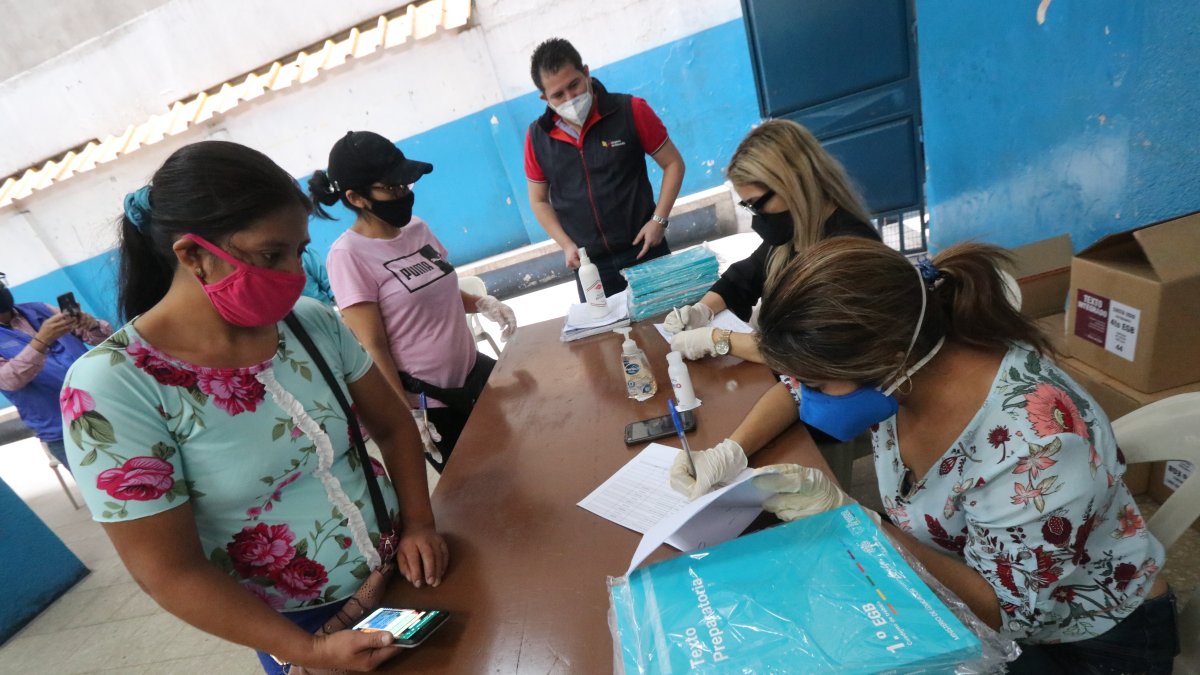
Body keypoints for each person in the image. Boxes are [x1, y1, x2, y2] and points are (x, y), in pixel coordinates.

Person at [61, 140, 448, 674]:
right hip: (298, 628)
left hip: (406, 569)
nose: (293, 273)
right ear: (192, 255)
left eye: (298, 250)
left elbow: (394, 426)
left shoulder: (310, 323)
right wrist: (309, 651)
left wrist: (420, 524)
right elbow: (169, 571)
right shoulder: (114, 387)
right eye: (271, 255)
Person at [739, 238, 1177, 672]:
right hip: (969, 579)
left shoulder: (1036, 448)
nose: (805, 394)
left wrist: (863, 525)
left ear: (889, 361)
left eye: (816, 385)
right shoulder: (901, 372)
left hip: (1086, 640)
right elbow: (793, 387)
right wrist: (731, 450)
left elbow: (1004, 615)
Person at [663, 120, 882, 492]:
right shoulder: (796, 232)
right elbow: (747, 274)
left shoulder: (847, 253)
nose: (756, 217)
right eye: (747, 205)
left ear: (796, 182)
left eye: (759, 203)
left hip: (833, 411)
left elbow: (803, 358)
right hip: (796, 391)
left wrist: (720, 340)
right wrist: (701, 310)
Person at [309, 131, 516, 472]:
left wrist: (482, 303)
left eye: (405, 185)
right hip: (432, 402)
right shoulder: (348, 255)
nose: (403, 194)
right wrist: (407, 416)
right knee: (482, 487)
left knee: (517, 461)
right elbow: (373, 345)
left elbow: (439, 291)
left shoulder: (417, 229)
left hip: (472, 374)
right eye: (392, 188)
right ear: (356, 198)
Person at [524, 37, 686, 300]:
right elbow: (539, 200)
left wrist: (659, 221)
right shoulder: (537, 138)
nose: (570, 98)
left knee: (670, 321)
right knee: (606, 328)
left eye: (574, 85)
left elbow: (674, 163)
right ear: (545, 98)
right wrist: (566, 245)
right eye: (558, 95)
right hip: (590, 268)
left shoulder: (631, 110)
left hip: (646, 250)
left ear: (586, 73)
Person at [0, 274, 111, 471]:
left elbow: (102, 340)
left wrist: (92, 325)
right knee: (104, 484)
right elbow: (8, 380)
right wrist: (42, 340)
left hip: (107, 407)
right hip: (64, 430)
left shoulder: (39, 309)